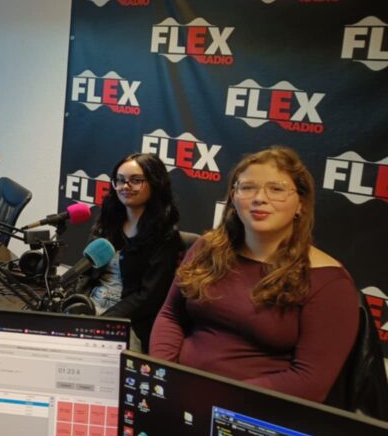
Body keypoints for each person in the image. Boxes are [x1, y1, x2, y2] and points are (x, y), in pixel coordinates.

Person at [150, 147, 358, 403]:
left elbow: (310, 381)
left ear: (301, 204)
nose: (260, 198)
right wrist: (163, 376)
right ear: (233, 197)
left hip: (249, 413)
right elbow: (170, 315)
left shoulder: (329, 281)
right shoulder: (206, 248)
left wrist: (214, 398)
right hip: (177, 394)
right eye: (247, 188)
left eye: (277, 189)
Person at [84, 153, 182, 350]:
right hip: (89, 305)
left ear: (155, 183)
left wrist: (100, 323)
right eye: (120, 180)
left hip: (128, 321)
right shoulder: (108, 223)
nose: (125, 186)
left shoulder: (166, 236)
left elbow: (148, 297)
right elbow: (87, 272)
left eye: (136, 181)